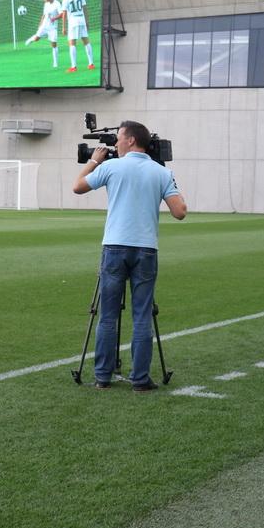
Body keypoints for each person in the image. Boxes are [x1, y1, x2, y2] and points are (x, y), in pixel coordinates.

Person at [72, 121, 187, 391]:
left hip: (114, 247)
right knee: (142, 316)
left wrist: (94, 161)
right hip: (145, 249)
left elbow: (77, 187)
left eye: (119, 138)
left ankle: (102, 377)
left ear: (131, 140)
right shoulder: (162, 172)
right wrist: (164, 181)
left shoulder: (111, 167)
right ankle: (140, 379)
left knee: (108, 316)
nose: (115, 144)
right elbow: (180, 212)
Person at [60, 0, 95, 73]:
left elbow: (64, 13)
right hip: (82, 20)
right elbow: (85, 8)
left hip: (73, 22)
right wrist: (87, 22)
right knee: (86, 41)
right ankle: (91, 64)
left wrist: (63, 27)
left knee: (72, 43)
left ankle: (73, 67)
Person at [25, 0, 64, 68]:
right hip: (44, 26)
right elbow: (43, 15)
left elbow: (62, 14)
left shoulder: (57, 4)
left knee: (54, 44)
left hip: (53, 27)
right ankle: (31, 39)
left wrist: (54, 18)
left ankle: (55, 63)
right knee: (36, 39)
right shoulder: (46, 4)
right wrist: (40, 24)